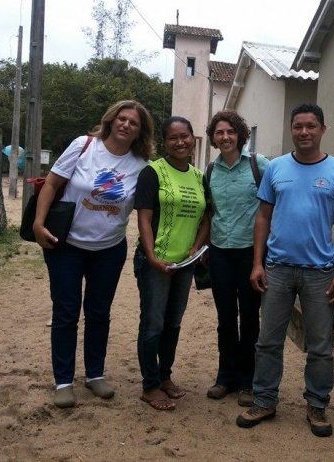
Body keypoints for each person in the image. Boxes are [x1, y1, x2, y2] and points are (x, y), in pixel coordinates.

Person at [236, 103, 334, 437]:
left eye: (311, 126)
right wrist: (257, 263)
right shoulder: (276, 167)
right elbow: (263, 216)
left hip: (320, 272)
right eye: (298, 126)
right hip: (277, 269)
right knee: (268, 341)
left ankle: (317, 404)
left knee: (320, 346)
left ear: (323, 129)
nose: (304, 132)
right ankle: (265, 399)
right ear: (291, 130)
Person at [33, 100, 154, 408]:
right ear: (111, 120)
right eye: (122, 118)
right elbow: (52, 184)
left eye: (134, 122)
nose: (126, 125)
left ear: (140, 131)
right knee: (66, 312)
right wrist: (38, 223)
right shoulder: (84, 146)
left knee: (99, 313)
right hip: (67, 246)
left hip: (109, 250)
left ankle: (94, 375)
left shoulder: (142, 165)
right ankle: (63, 381)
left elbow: (148, 208)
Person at [133, 116, 210, 411]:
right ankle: (150, 386)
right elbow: (143, 218)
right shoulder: (152, 172)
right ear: (164, 142)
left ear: (193, 139)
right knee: (153, 323)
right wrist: (152, 257)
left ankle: (165, 377)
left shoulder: (199, 176)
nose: (180, 142)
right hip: (156, 262)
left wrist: (196, 247)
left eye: (185, 136)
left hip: (184, 264)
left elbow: (207, 217)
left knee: (173, 323)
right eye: (173, 137)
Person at [203, 111, 269, 408]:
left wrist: (262, 258)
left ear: (240, 134)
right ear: (213, 138)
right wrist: (201, 248)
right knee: (226, 318)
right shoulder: (209, 171)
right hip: (220, 252)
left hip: (251, 254)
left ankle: (247, 381)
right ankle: (225, 377)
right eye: (219, 132)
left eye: (230, 131)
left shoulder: (259, 164)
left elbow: (273, 205)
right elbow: (209, 212)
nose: (225, 137)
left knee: (250, 318)